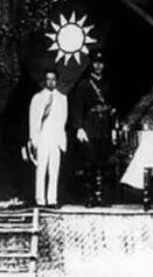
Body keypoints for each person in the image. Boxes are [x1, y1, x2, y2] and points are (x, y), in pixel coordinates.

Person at [71, 49, 116, 207]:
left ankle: (101, 196)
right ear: (91, 64)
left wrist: (113, 127)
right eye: (96, 63)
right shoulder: (84, 84)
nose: (98, 66)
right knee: (89, 163)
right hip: (89, 127)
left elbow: (112, 108)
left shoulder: (108, 84)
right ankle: (90, 197)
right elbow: (77, 107)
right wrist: (79, 128)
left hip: (104, 128)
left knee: (103, 163)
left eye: (101, 63)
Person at [28, 68, 68, 207]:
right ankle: (40, 200)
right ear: (44, 81)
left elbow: (63, 120)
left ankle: (52, 200)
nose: (51, 82)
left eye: (53, 79)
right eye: (48, 79)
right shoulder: (37, 98)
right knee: (41, 170)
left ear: (57, 81)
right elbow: (33, 120)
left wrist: (61, 141)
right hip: (42, 138)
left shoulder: (62, 99)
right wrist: (34, 140)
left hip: (55, 138)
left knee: (54, 171)